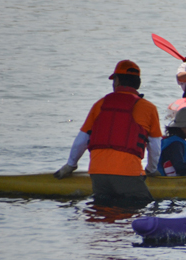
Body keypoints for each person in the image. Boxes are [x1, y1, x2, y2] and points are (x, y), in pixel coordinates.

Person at [54, 60, 163, 203]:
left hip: (97, 174)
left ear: (117, 81)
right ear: (138, 82)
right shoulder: (149, 108)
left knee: (103, 209)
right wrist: (151, 169)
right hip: (128, 173)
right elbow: (155, 146)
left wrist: (70, 165)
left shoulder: (99, 104)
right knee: (142, 208)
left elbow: (81, 141)